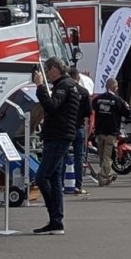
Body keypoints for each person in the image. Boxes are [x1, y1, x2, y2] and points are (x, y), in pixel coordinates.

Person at [32, 57, 83, 234]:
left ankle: (54, 215)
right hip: (62, 134)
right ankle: (56, 221)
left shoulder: (63, 86)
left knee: (42, 177)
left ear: (54, 69)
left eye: (47, 71)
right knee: (54, 178)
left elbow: (51, 106)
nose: (46, 75)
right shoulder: (70, 85)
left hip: (58, 136)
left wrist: (40, 86)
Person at [92, 77, 131, 187]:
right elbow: (127, 112)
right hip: (111, 132)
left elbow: (93, 107)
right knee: (107, 157)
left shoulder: (98, 99)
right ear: (114, 87)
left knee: (102, 155)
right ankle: (103, 177)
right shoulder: (118, 100)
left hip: (99, 131)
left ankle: (106, 174)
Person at [67, 67, 92, 195]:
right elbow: (88, 111)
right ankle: (78, 186)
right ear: (78, 77)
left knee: (63, 155)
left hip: (67, 126)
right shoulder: (84, 92)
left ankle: (61, 184)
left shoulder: (66, 90)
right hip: (79, 126)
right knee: (79, 157)